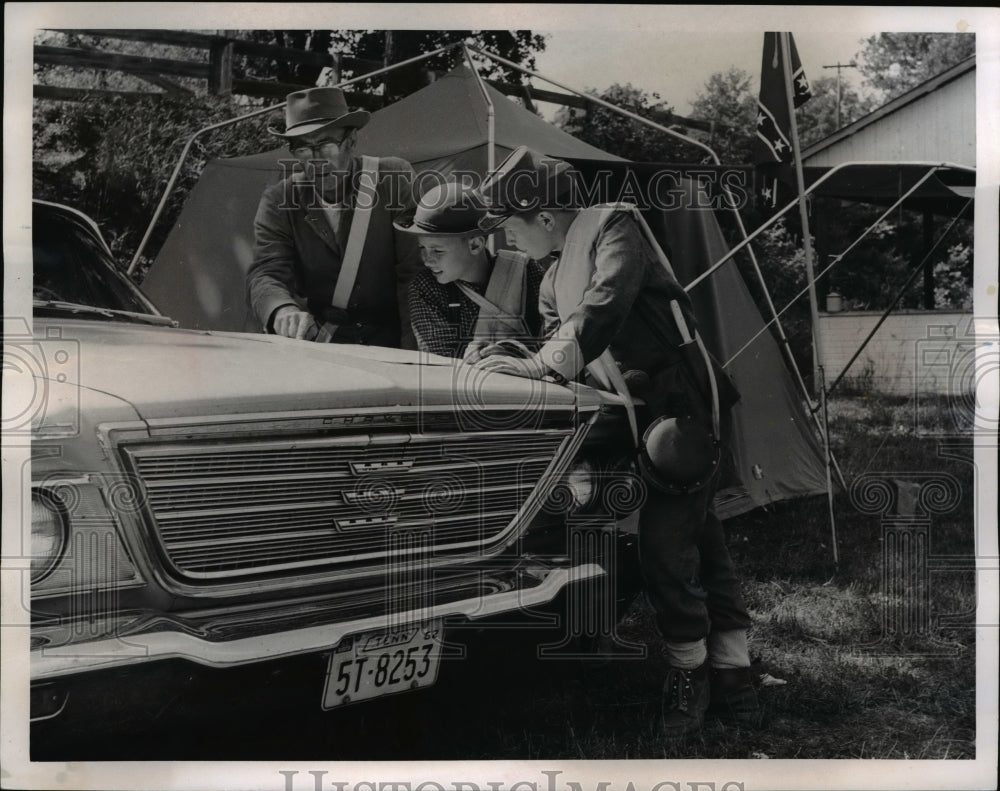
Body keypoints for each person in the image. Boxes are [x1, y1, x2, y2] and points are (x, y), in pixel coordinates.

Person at [474, 146, 758, 740]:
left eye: (509, 228)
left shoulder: (614, 226)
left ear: (544, 217)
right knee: (702, 539)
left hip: (678, 412)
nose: (506, 243)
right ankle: (733, 668)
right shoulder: (552, 272)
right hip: (629, 413)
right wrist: (514, 359)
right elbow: (562, 347)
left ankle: (690, 674)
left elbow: (606, 302)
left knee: (663, 546)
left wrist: (544, 361)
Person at [247, 86, 423, 348]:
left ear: (351, 141)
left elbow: (414, 274)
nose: (316, 160)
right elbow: (267, 273)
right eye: (303, 149)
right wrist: (283, 310)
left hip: (392, 341)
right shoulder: (279, 201)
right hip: (325, 343)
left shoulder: (392, 179)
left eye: (326, 145)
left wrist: (418, 357)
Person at [395, 180, 544, 359]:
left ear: (475, 244)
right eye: (422, 248)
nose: (427, 260)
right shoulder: (426, 288)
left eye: (438, 250)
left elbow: (553, 340)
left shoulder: (526, 273)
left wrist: (514, 354)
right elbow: (440, 361)